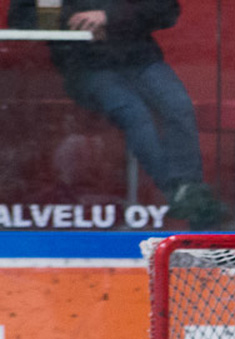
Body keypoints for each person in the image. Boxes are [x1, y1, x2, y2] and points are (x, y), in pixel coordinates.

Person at [6, 0, 220, 228]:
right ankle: (182, 191)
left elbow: (166, 9)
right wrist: (78, 23)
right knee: (133, 113)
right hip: (86, 65)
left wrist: (108, 17)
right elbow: (22, 19)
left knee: (178, 105)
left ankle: (186, 189)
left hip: (138, 58)